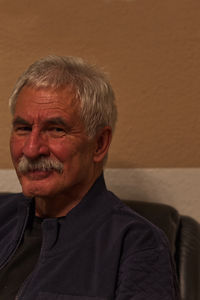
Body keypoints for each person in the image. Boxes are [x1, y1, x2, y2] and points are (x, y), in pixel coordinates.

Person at [0, 55, 179, 299]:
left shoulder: (137, 245)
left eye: (56, 130)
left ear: (99, 144)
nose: (31, 149)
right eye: (23, 128)